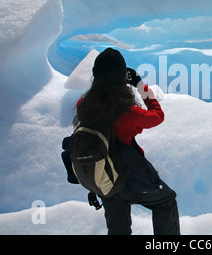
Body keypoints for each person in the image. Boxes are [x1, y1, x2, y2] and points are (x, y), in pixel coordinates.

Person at [73, 47, 180, 235]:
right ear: (123, 79)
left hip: (104, 178)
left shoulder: (83, 105)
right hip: (128, 179)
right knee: (166, 200)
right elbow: (157, 115)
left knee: (118, 230)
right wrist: (140, 85)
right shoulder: (128, 113)